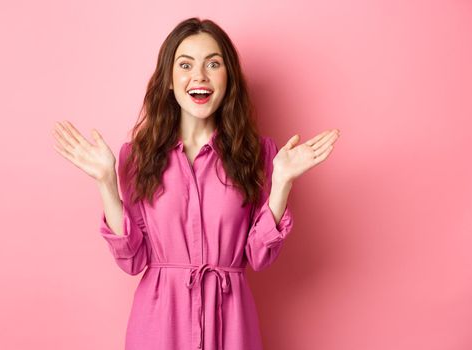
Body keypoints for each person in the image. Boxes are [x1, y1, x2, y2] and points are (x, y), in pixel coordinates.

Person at [52, 16, 339, 350]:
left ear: (229, 78)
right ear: (170, 80)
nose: (199, 76)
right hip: (159, 326)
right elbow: (132, 260)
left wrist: (282, 183)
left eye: (213, 64)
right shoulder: (138, 156)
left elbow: (259, 257)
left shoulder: (259, 155)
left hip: (231, 326)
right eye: (185, 64)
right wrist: (106, 182)